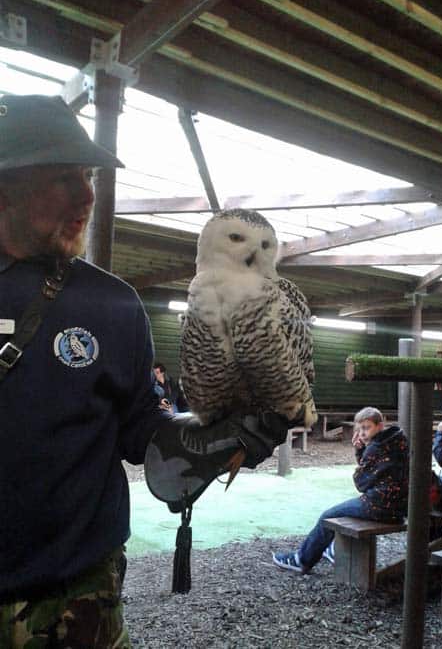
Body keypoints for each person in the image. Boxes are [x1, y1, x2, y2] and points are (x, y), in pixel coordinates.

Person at [0, 94, 290, 648]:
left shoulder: (111, 303)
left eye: (88, 175)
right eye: (65, 177)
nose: (88, 193)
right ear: (6, 185)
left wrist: (216, 432)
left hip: (73, 599)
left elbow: (143, 432)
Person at [272, 407, 409, 573]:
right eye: (359, 429)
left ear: (380, 426)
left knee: (328, 516)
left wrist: (361, 450)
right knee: (342, 511)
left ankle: (301, 560)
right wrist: (362, 450)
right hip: (400, 506)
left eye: (366, 428)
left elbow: (361, 483)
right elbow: (375, 470)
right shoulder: (397, 440)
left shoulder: (376, 447)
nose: (363, 433)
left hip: (381, 506)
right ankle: (333, 548)